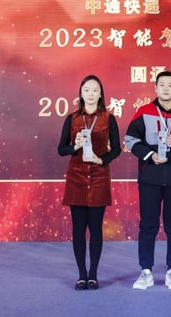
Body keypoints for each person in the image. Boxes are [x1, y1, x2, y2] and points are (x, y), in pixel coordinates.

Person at [124, 71, 171, 290]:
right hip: (150, 177)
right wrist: (150, 155)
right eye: (162, 85)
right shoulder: (143, 112)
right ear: (155, 88)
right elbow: (130, 139)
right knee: (148, 225)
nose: (166, 88)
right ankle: (145, 271)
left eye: (170, 85)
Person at [57, 74, 121, 290]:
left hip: (99, 177)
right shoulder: (72, 119)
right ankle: (81, 275)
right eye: (86, 90)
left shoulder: (108, 119)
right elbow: (61, 149)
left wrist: (100, 160)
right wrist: (75, 146)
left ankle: (93, 275)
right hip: (76, 178)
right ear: (81, 94)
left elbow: (117, 149)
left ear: (100, 94)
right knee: (78, 229)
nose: (91, 94)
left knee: (95, 228)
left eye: (95, 90)